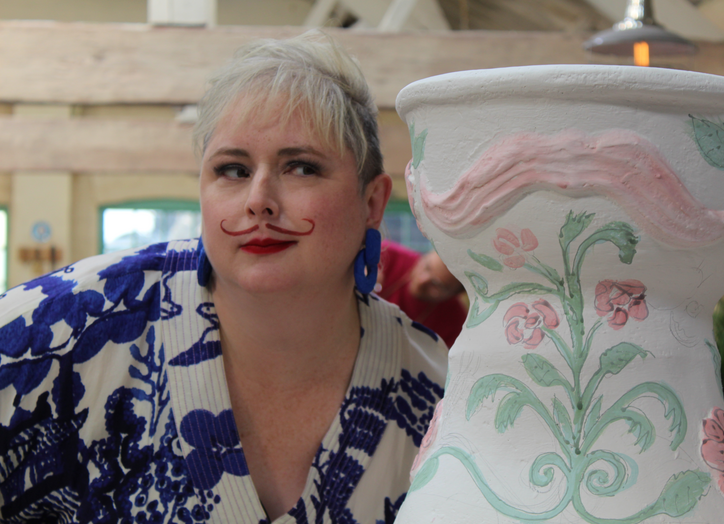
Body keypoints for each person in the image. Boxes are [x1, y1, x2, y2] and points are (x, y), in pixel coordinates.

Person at [0, 31, 447, 523]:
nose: (259, 199)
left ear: (372, 203)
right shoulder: (70, 327)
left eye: (301, 167)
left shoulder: (440, 393)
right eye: (232, 170)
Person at [377, 241, 467, 347]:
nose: (421, 281)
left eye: (436, 285)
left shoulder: (455, 324)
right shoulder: (384, 254)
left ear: (454, 294)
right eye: (427, 267)